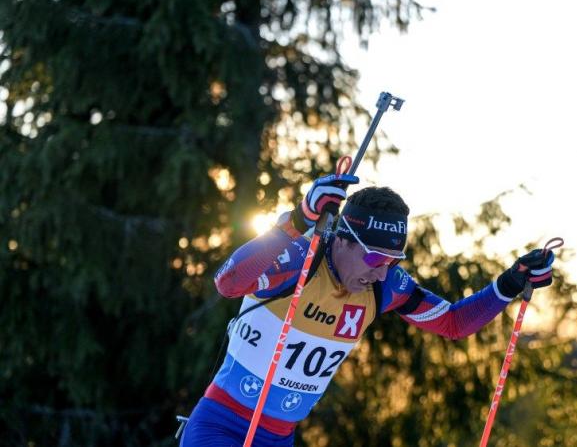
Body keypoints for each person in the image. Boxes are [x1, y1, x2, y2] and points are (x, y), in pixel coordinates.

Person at [180, 173, 556, 446]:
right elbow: (228, 283)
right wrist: (297, 222)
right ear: (342, 239)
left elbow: (454, 323)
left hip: (279, 437)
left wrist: (508, 284)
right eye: (375, 257)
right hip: (222, 426)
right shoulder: (300, 259)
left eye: (393, 261)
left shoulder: (386, 286)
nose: (381, 273)